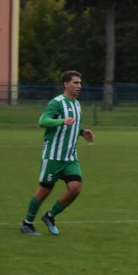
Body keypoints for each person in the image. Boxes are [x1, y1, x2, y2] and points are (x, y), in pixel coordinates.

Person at [19, 70, 96, 236]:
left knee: (75, 188)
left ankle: (50, 216)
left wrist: (82, 132)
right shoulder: (57, 102)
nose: (79, 86)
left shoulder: (76, 104)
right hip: (53, 156)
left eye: (80, 83)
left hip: (70, 157)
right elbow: (43, 121)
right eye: (75, 83)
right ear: (66, 84)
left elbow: (71, 127)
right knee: (45, 190)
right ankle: (27, 223)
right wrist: (62, 120)